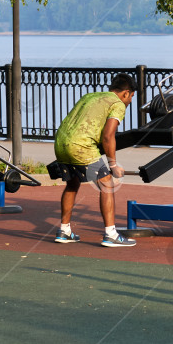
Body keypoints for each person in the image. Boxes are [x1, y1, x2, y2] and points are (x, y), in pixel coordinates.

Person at [53, 73, 137, 247]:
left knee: (72, 183)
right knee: (107, 183)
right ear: (126, 93)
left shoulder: (90, 96)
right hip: (81, 147)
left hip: (61, 143)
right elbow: (108, 136)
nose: (129, 102)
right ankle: (110, 234)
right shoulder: (117, 104)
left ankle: (64, 230)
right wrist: (113, 164)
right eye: (131, 98)